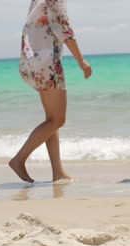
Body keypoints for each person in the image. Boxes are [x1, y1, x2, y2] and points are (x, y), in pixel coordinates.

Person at [10, 0, 92, 183]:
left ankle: (58, 172)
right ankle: (19, 159)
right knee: (57, 120)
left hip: (37, 60)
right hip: (48, 62)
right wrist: (81, 61)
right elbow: (64, 29)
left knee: (51, 120)